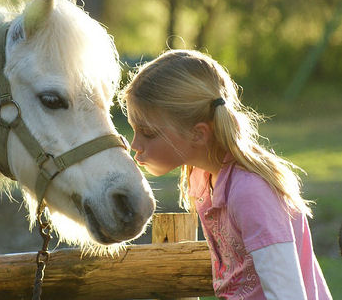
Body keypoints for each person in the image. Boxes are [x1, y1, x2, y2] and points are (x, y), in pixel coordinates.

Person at [119, 49, 332, 299]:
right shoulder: (201, 178)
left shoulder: (250, 191)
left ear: (198, 134)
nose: (135, 144)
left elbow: (287, 293)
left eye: (148, 132)